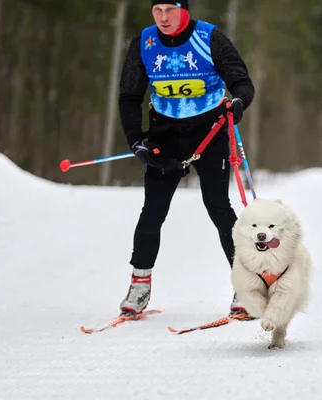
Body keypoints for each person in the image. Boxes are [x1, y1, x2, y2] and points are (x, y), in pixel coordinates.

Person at [117, 0, 255, 319]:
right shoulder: (144, 42)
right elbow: (129, 96)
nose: (163, 18)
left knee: (219, 207)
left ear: (185, 10)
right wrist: (135, 139)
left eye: (170, 10)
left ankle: (247, 286)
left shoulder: (209, 37)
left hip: (210, 132)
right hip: (165, 135)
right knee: (153, 210)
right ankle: (139, 283)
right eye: (157, 10)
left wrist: (237, 103)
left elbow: (241, 82)